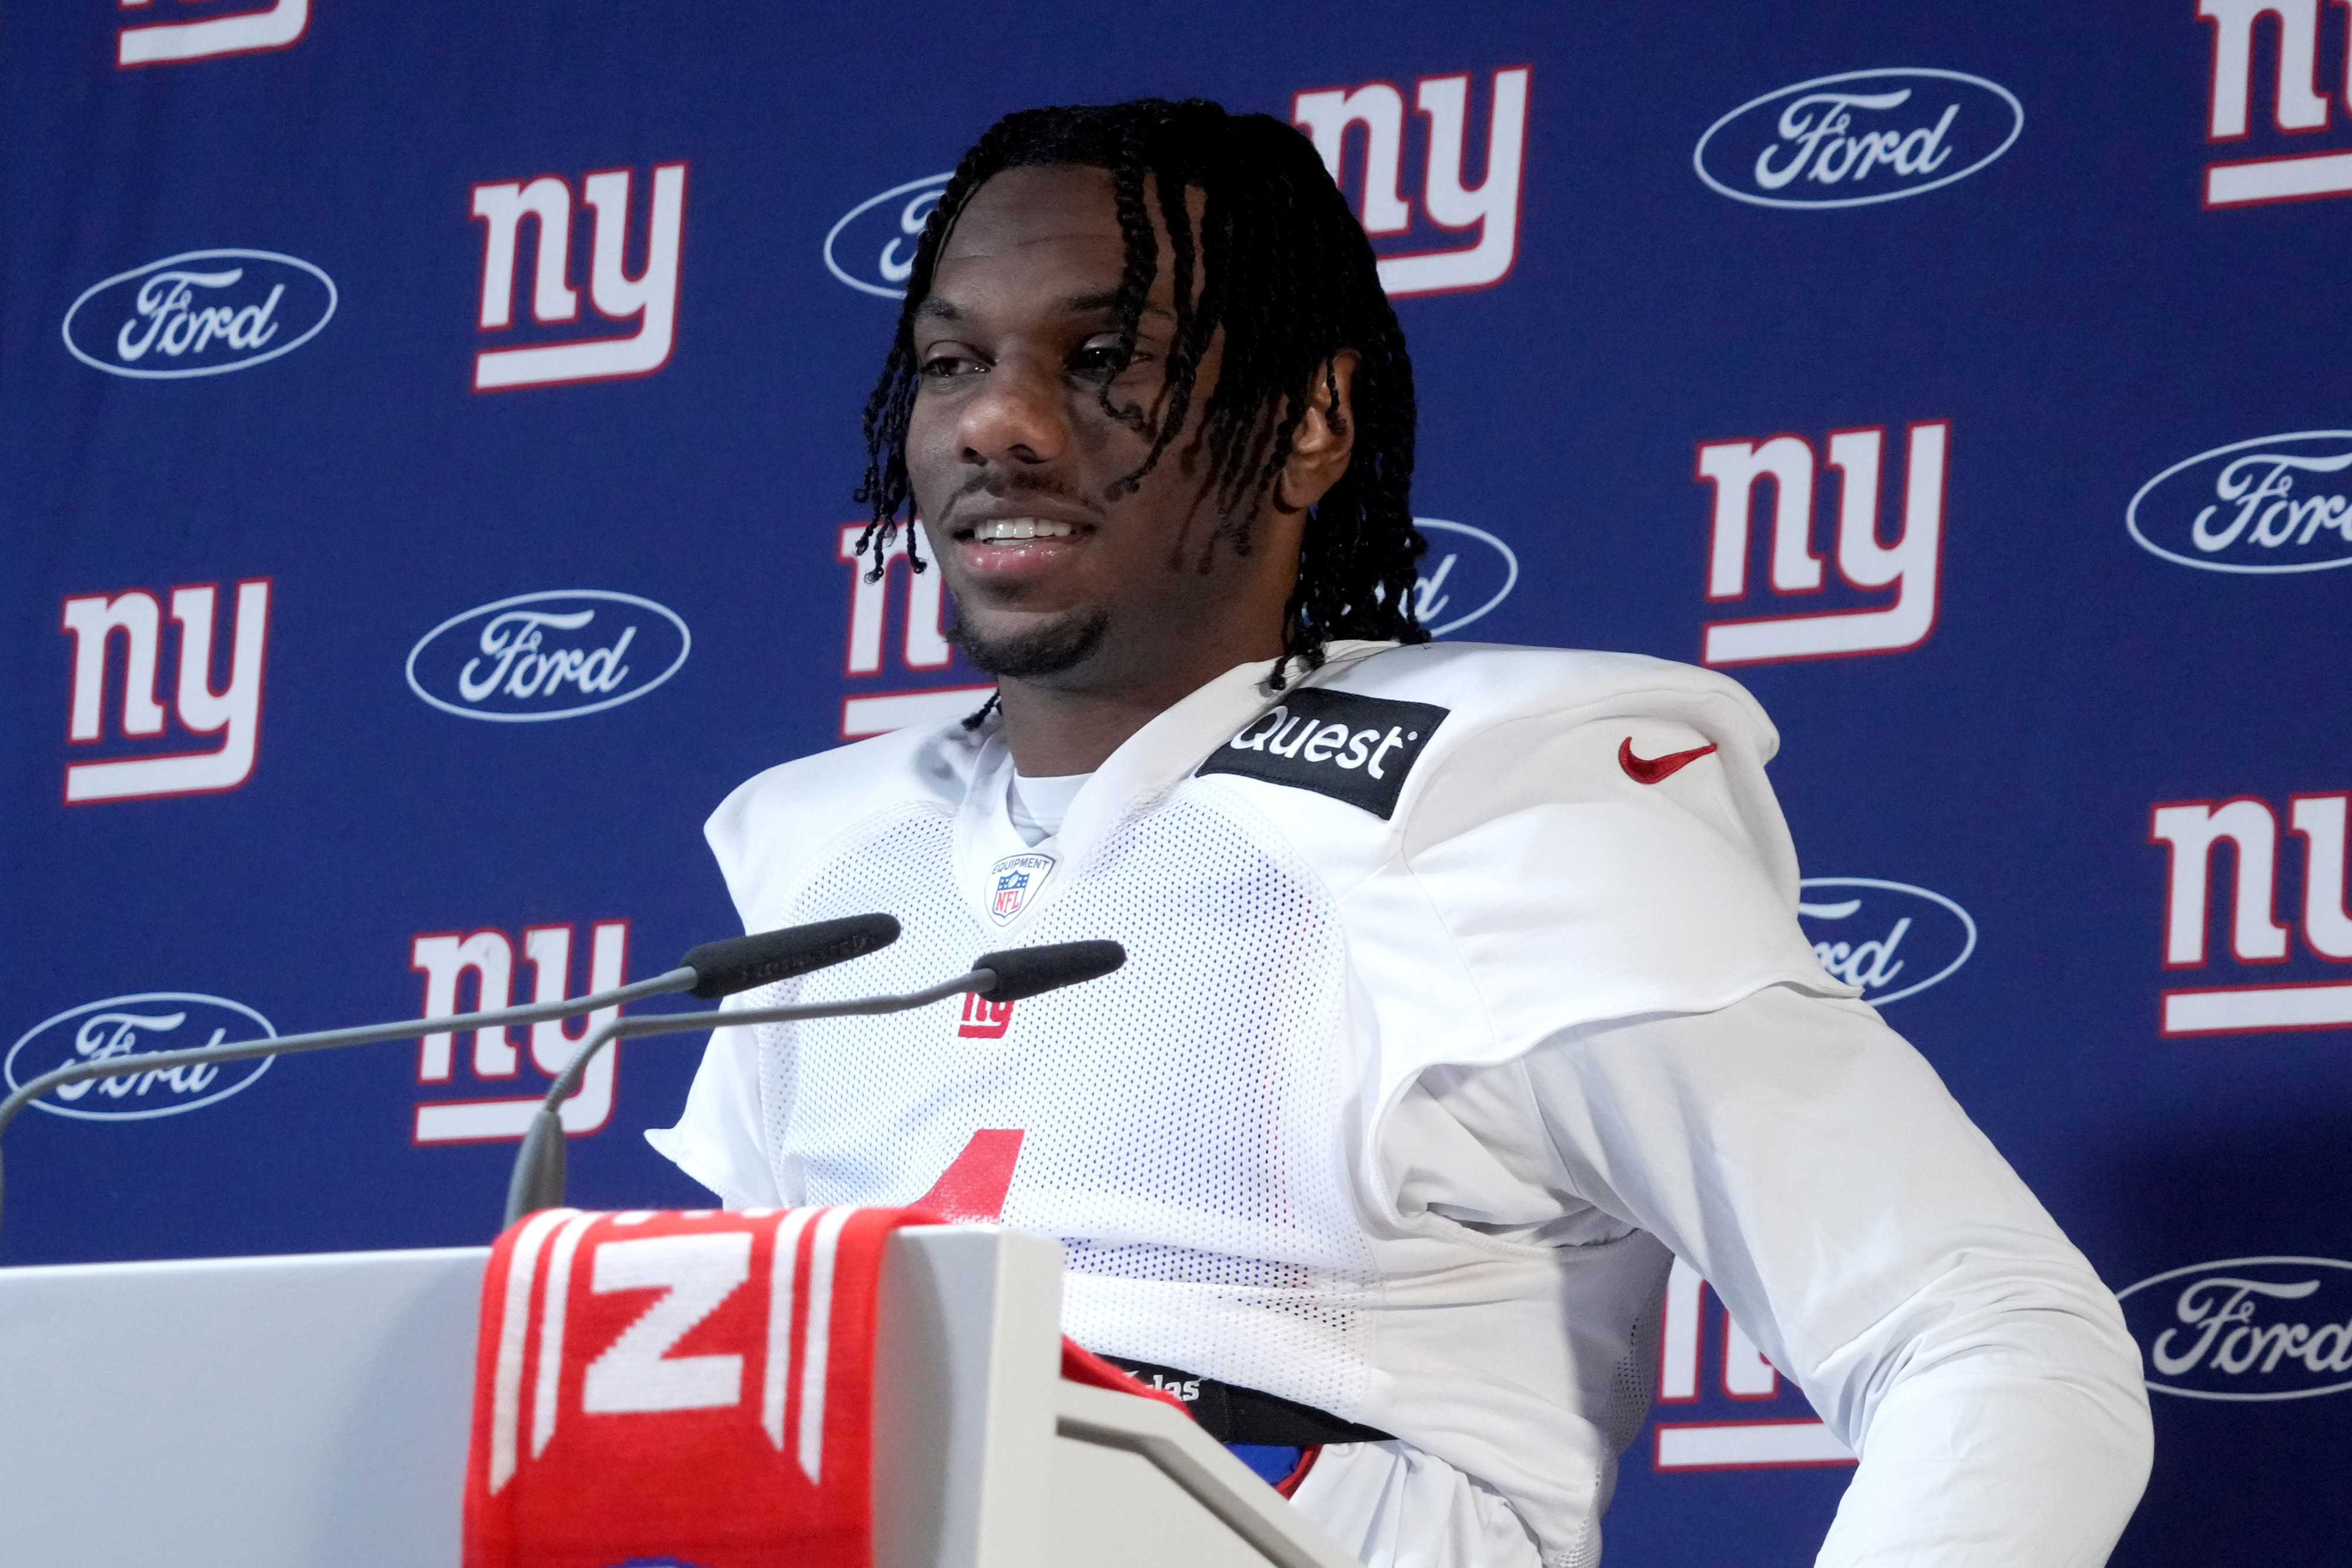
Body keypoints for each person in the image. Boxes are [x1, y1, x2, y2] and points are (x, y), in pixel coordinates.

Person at [648, 99, 2151, 1567]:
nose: (996, 421)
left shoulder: (1498, 800)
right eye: (949, 361)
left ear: (1310, 423)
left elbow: (1994, 1335)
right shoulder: (828, 857)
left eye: (1104, 359)